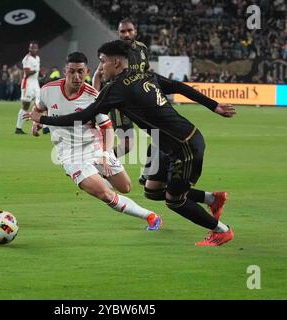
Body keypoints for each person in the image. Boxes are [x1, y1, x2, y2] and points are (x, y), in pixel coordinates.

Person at [25, 40, 236, 246]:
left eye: (102, 62)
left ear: (116, 62)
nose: (100, 69)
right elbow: (178, 87)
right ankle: (212, 199)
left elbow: (81, 116)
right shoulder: (144, 74)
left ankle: (221, 231)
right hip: (168, 145)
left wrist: (42, 120)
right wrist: (214, 106)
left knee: (174, 200)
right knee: (152, 190)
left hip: (184, 147)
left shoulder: (115, 89)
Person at [30, 51, 163, 231]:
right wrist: (35, 123)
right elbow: (37, 110)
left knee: (125, 187)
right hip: (70, 155)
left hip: (95, 148)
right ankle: (151, 217)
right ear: (65, 71)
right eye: (72, 72)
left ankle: (94, 176)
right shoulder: (48, 90)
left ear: (87, 72)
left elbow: (107, 128)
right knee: (106, 194)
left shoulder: (94, 96)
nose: (76, 77)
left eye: (80, 72)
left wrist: (105, 154)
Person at [93, 18, 149, 160]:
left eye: (129, 30)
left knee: (161, 135)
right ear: (118, 33)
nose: (126, 35)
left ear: (135, 31)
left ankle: (152, 174)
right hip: (119, 104)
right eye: (123, 31)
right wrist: (95, 100)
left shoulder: (143, 49)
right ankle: (102, 163)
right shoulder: (113, 52)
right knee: (127, 145)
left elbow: (146, 71)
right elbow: (98, 75)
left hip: (140, 101)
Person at [15, 41, 48, 134]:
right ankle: (18, 128)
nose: (33, 49)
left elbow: (36, 72)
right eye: (31, 48)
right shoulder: (27, 59)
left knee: (42, 104)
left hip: (35, 83)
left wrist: (41, 74)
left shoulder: (37, 58)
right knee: (26, 105)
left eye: (35, 48)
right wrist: (38, 70)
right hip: (28, 84)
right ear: (29, 49)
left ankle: (45, 127)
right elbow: (27, 72)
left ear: (37, 49)